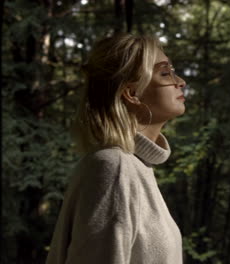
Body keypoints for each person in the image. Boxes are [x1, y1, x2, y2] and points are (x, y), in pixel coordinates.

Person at [45, 33, 186, 264]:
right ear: (132, 93)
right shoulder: (114, 167)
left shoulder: (134, 167)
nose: (180, 81)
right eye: (164, 73)